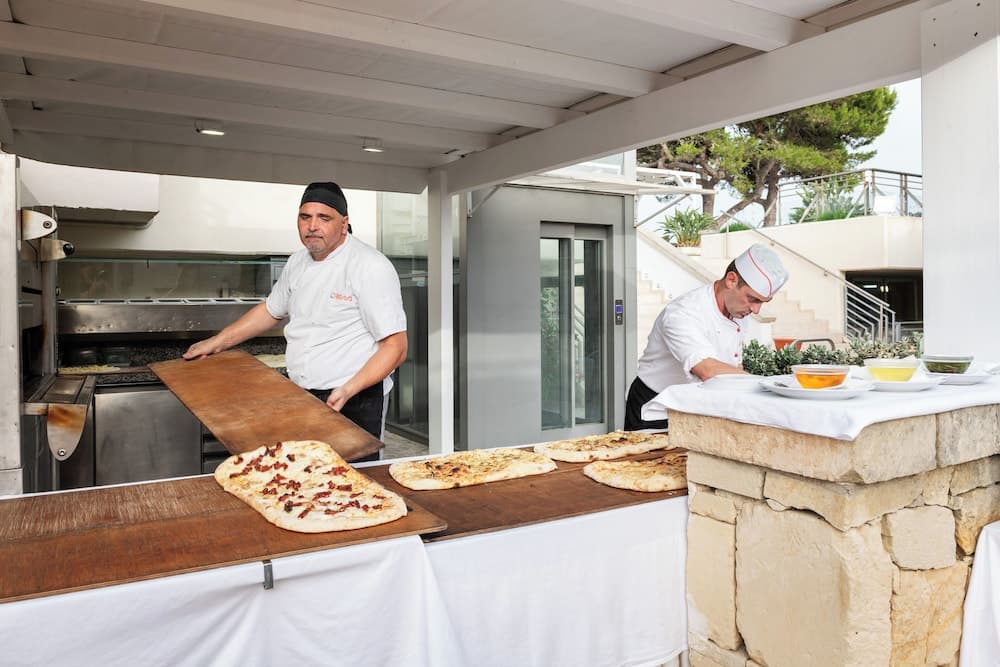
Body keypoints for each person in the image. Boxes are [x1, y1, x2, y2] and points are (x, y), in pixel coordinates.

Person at [183, 181, 407, 440]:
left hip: (355, 396)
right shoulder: (297, 262)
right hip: (302, 393)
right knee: (305, 465)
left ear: (344, 223)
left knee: (352, 467)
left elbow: (396, 347)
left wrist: (348, 389)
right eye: (305, 217)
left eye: (324, 218)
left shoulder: (370, 266)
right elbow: (270, 311)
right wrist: (216, 342)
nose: (312, 226)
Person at [624, 243, 788, 431]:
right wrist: (769, 385)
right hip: (656, 408)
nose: (756, 310)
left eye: (763, 302)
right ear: (731, 280)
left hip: (696, 407)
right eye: (753, 299)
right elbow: (707, 370)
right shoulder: (683, 312)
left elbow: (734, 367)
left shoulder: (738, 313)